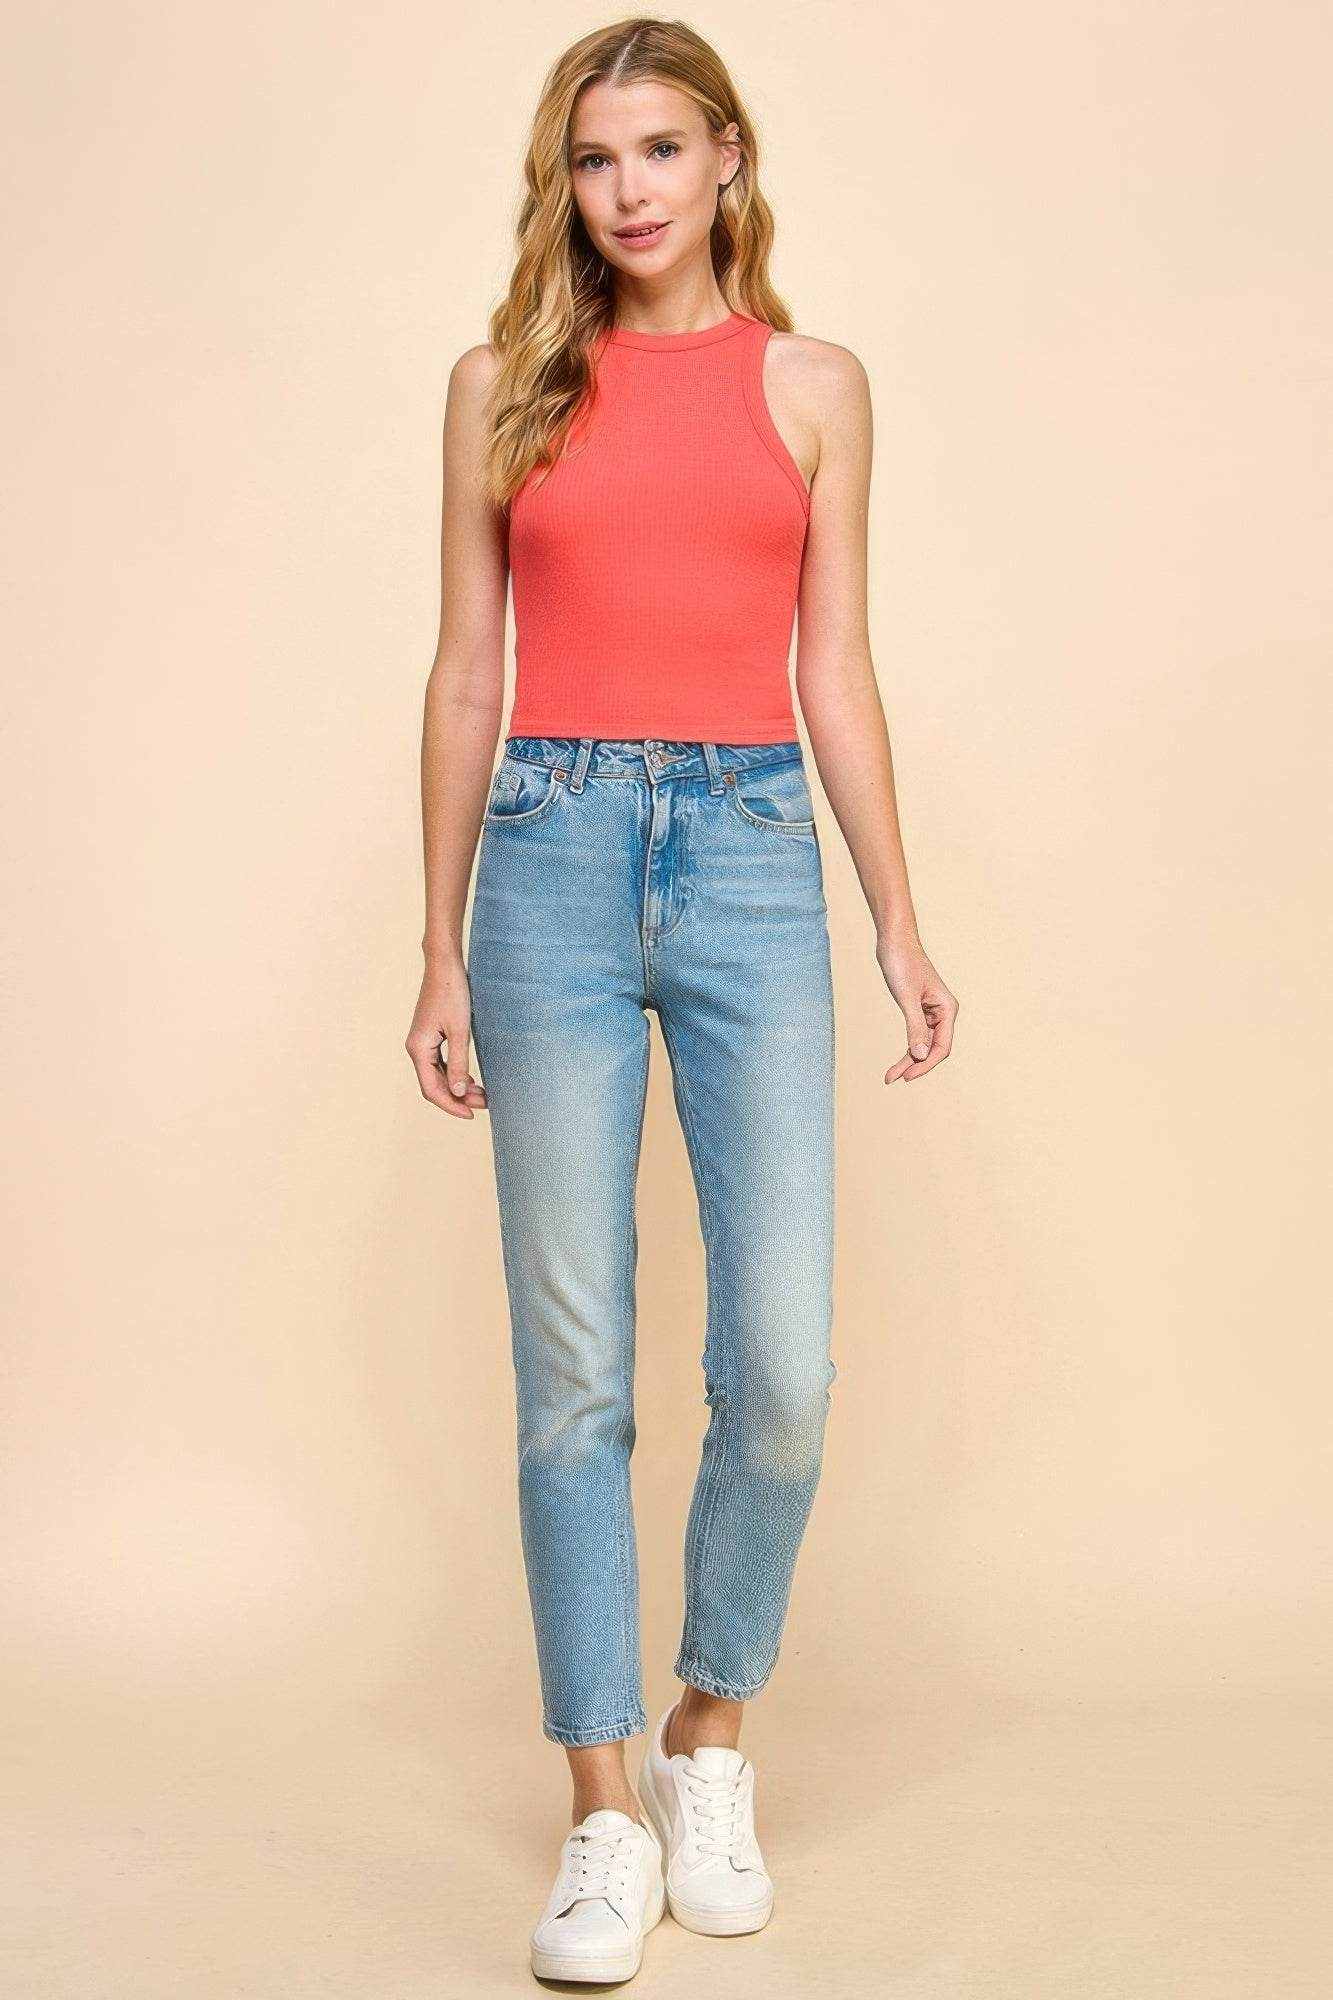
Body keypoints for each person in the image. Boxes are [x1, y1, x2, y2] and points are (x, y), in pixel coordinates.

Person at [405, 17, 959, 1985]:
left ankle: (706, 1736)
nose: (625, 188)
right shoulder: (500, 386)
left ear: (726, 156)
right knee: (574, 1377)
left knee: (780, 1371)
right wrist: (437, 939)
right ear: (563, 185)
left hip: (747, 850)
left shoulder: (814, 385)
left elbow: (837, 667)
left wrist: (894, 916)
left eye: (657, 147)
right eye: (591, 157)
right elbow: (468, 670)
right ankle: (603, 1808)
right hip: (548, 848)